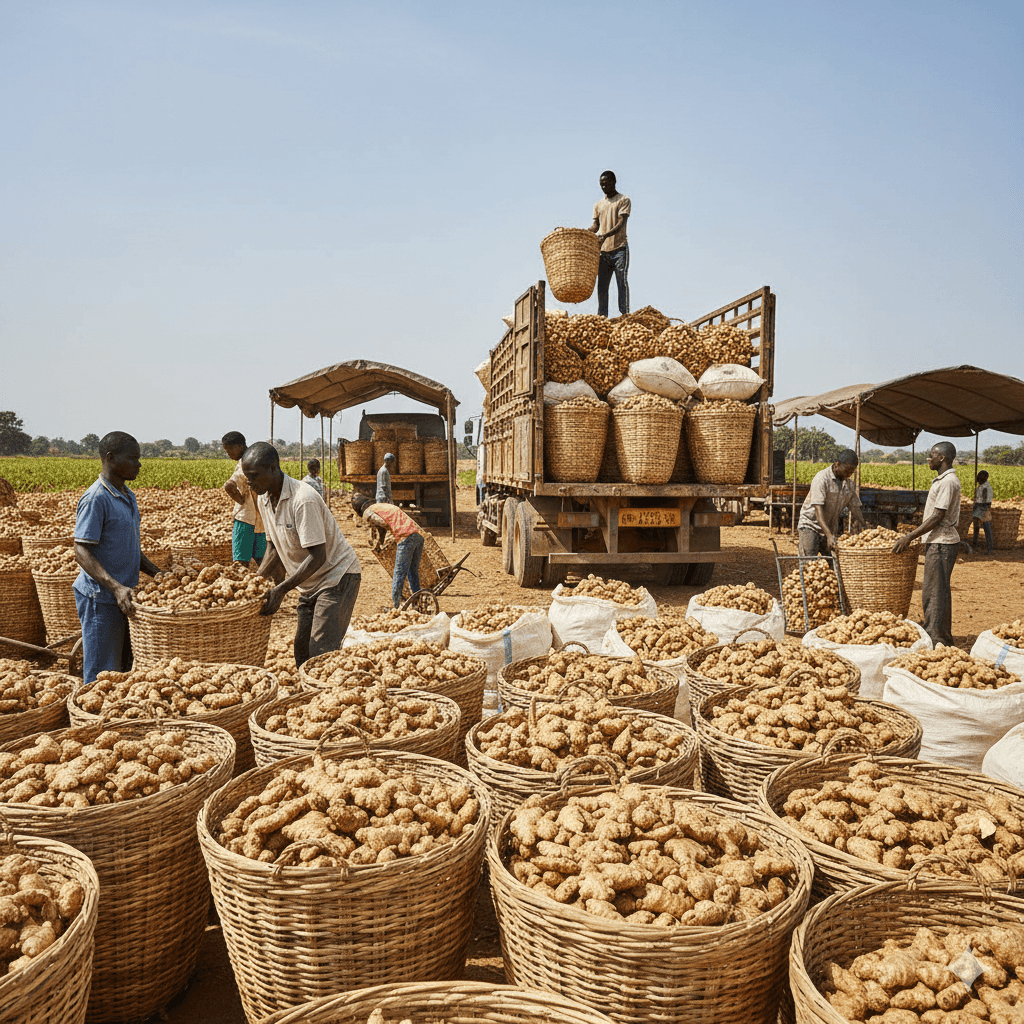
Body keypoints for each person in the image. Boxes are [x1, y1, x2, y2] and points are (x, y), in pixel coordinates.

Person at [240, 442, 361, 666]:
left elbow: (318, 556)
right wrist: (254, 582)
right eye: (247, 476)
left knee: (320, 652)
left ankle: (325, 697)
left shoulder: (302, 499)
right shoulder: (264, 498)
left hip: (336, 577)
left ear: (273, 469)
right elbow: (274, 547)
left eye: (254, 475)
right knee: (302, 650)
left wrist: (282, 589)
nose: (249, 481)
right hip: (309, 582)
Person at [73, 431, 162, 684]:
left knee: (123, 668)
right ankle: (92, 720)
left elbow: (130, 546)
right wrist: (115, 587)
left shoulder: (127, 495)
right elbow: (82, 550)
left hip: (124, 595)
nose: (139, 464)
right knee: (103, 672)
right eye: (133, 458)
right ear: (110, 458)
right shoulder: (96, 498)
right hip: (101, 597)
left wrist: (157, 573)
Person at [893, 442, 961, 648]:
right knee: (937, 591)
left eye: (932, 454)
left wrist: (910, 536)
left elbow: (938, 515)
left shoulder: (948, 482)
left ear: (942, 458)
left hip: (942, 542)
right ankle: (939, 632)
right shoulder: (943, 480)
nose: (928, 458)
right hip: (939, 541)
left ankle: (936, 638)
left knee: (934, 592)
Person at [351, 494, 425, 607]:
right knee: (412, 572)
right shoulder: (380, 506)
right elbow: (384, 524)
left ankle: (396, 605)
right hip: (417, 535)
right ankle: (417, 602)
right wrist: (379, 542)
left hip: (405, 537)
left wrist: (390, 535)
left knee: (399, 573)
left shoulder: (368, 512)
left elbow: (383, 523)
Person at [796, 449, 866, 556]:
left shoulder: (849, 485)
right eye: (847, 470)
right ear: (837, 464)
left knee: (834, 564)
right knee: (808, 564)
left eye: (852, 472)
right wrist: (829, 536)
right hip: (810, 525)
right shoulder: (821, 479)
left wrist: (864, 526)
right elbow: (818, 510)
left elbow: (855, 508)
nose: (849, 474)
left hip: (829, 527)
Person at [589, 170, 631, 318]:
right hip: (603, 252)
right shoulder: (598, 205)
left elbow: (621, 223)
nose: (604, 187)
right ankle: (602, 317)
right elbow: (595, 226)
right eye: (601, 185)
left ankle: (625, 313)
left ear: (614, 182)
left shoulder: (623, 200)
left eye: (606, 184)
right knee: (602, 286)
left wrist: (605, 235)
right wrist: (584, 233)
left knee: (621, 281)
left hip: (619, 248)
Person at [222, 431, 267, 566]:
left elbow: (229, 485)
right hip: (262, 521)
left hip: (246, 518)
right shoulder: (257, 458)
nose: (228, 454)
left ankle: (243, 585)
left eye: (228, 450)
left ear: (237, 446)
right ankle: (269, 585)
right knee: (263, 560)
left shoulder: (245, 462)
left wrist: (241, 501)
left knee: (241, 562)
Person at [971, 470, 994, 557]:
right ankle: (975, 545)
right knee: (977, 528)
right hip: (980, 507)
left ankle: (990, 549)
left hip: (983, 508)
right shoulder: (982, 486)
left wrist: (977, 507)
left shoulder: (985, 487)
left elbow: (984, 500)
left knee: (986, 529)